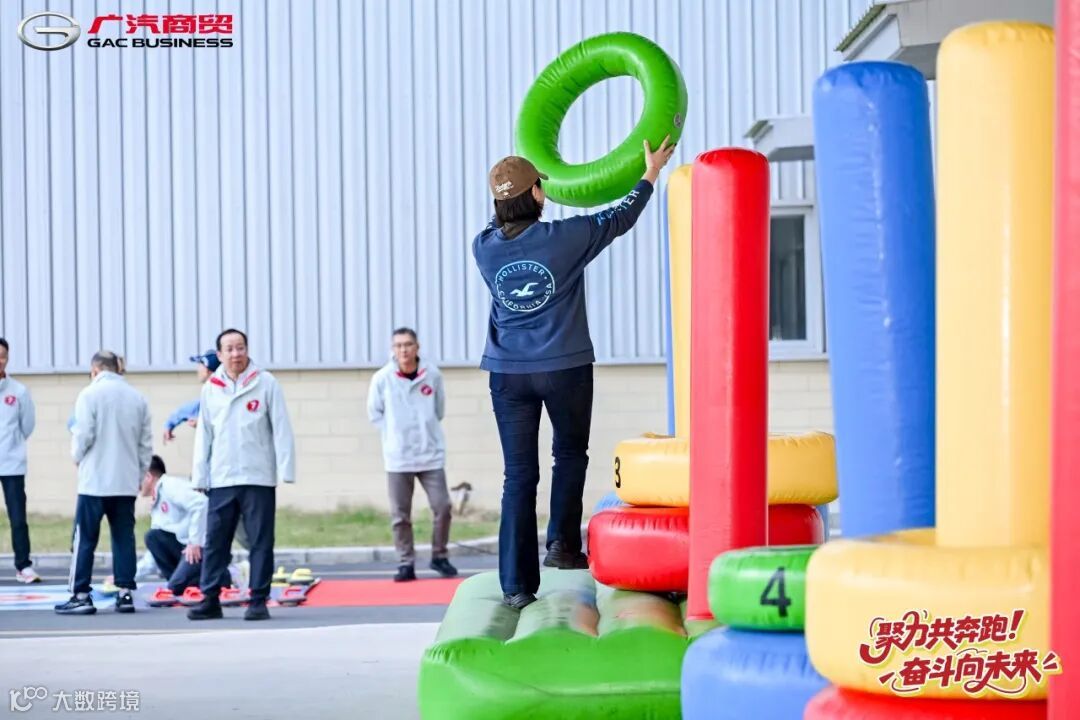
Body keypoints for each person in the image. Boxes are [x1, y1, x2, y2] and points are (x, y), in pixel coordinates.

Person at [473, 138, 676, 609]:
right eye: (539, 187)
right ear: (537, 194)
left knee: (518, 476)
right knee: (568, 453)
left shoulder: (483, 247)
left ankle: (516, 586)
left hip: (508, 374)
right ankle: (562, 545)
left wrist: (515, 195)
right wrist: (650, 173)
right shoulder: (565, 238)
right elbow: (620, 217)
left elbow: (501, 219)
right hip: (565, 367)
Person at [186, 329, 295, 621]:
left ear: (247, 349)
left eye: (240, 347)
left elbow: (281, 428)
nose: (236, 354)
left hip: (258, 477)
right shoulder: (211, 388)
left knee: (261, 541)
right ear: (219, 355)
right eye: (230, 349)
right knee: (216, 541)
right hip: (222, 477)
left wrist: (286, 469)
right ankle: (210, 598)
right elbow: (204, 436)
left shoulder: (266, 382)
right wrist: (200, 476)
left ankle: (258, 600)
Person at [56, 351, 153, 615]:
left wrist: (76, 457)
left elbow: (83, 433)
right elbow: (145, 444)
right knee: (123, 537)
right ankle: (125, 593)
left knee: (85, 538)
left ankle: (80, 594)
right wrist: (138, 475)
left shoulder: (89, 394)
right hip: (125, 481)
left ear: (95, 370)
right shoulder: (137, 398)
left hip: (94, 481)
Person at [368, 328, 457, 582]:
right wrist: (394, 435)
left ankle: (439, 556)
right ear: (392, 349)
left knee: (443, 507)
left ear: (417, 347)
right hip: (398, 458)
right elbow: (375, 413)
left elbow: (439, 411)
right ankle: (406, 562)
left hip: (430, 455)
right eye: (398, 345)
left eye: (408, 344)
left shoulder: (433, 375)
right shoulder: (382, 378)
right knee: (400, 515)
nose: (403, 350)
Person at [0, 338, 41, 584]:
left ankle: (23, 566)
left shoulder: (18, 391)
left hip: (11, 464)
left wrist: (12, 443)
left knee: (18, 518)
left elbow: (27, 426)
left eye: (2, 356)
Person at [162, 350, 221, 444]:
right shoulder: (208, 393)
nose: (197, 370)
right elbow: (188, 409)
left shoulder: (219, 395)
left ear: (207, 370)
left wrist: (202, 423)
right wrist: (170, 424)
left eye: (200, 365)